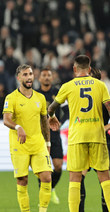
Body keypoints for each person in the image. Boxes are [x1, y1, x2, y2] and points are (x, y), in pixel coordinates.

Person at [48, 55, 110, 212]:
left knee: (75, 179)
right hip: (98, 135)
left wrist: (52, 117)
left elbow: (51, 108)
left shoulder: (68, 86)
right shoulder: (101, 85)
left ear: (75, 69)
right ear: (89, 69)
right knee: (105, 178)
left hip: (77, 136)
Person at [2, 64, 55, 212]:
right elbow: (6, 119)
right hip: (20, 146)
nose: (29, 77)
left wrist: (48, 143)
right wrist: (18, 127)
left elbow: (44, 122)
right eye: (25, 74)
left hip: (38, 144)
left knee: (46, 177)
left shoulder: (40, 98)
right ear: (19, 78)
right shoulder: (11, 98)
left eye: (31, 74)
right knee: (22, 180)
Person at [66, 67, 110, 212]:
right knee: (81, 176)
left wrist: (103, 128)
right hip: (87, 140)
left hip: (100, 141)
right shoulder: (95, 93)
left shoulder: (104, 95)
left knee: (101, 178)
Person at [37, 68, 69, 204]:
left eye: (48, 75)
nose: (46, 78)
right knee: (42, 167)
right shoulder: (35, 94)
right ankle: (43, 196)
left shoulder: (57, 93)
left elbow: (67, 111)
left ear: (52, 78)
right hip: (39, 136)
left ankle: (51, 189)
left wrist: (60, 123)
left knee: (57, 166)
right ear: (39, 78)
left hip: (54, 135)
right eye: (43, 75)